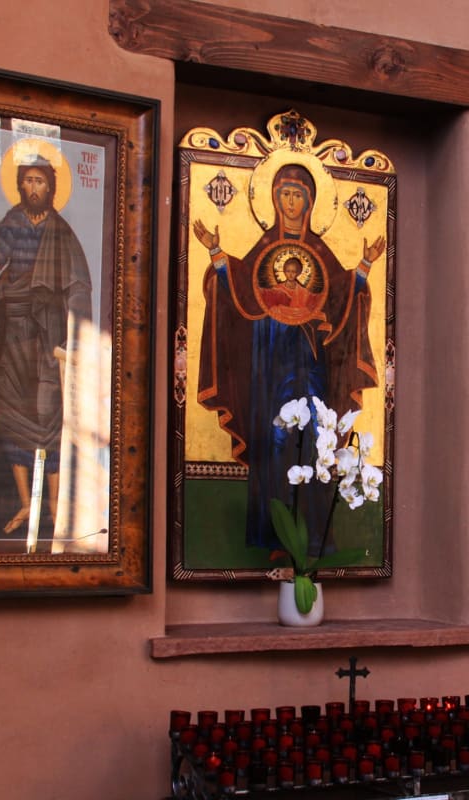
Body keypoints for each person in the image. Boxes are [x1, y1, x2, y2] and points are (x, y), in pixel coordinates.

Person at [193, 163, 383, 552]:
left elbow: (342, 294)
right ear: (275, 200)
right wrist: (215, 252)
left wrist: (364, 266)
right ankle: (271, 534)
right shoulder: (264, 249)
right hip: (269, 364)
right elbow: (240, 288)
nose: (292, 202)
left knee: (313, 439)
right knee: (273, 440)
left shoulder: (320, 253)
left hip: (311, 363)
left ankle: (312, 538)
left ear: (310, 203)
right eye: (285, 195)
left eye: (298, 195)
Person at [0, 155, 93, 535]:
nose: (34, 188)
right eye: (28, 181)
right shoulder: (14, 222)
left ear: (51, 187)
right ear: (20, 185)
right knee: (7, 409)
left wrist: (71, 342)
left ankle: (54, 507)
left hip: (47, 336)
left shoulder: (61, 232)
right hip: (11, 333)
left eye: (40, 181)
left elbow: (78, 288)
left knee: (50, 418)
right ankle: (25, 503)